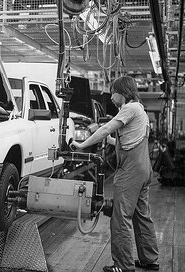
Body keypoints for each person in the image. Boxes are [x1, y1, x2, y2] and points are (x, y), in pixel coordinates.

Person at [70, 76, 159, 272]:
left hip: (131, 172)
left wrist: (82, 144)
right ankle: (149, 259)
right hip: (143, 168)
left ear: (123, 92)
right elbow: (128, 141)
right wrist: (110, 140)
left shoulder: (129, 108)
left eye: (113, 93)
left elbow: (106, 128)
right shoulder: (140, 110)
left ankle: (123, 265)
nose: (111, 97)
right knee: (141, 215)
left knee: (121, 217)